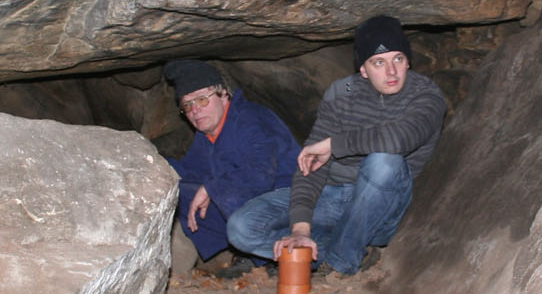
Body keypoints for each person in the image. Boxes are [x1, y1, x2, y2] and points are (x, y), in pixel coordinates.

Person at [227, 15, 446, 275]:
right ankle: (331, 248)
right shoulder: (342, 94)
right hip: (332, 198)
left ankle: (341, 260)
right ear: (363, 69)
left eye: (398, 59)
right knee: (241, 227)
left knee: (385, 161)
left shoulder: (426, 96)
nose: (391, 72)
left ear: (408, 61)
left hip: (383, 202)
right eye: (379, 62)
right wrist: (300, 228)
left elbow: (399, 139)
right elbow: (311, 163)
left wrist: (335, 144)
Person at [163, 59, 301, 275]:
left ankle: (278, 256)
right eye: (187, 106)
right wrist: (156, 167)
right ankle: (249, 255)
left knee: (224, 192)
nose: (195, 111)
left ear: (223, 95)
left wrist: (212, 188)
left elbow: (260, 176)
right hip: (253, 208)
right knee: (179, 191)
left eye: (201, 100)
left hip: (291, 204)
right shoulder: (206, 134)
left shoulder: (252, 120)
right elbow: (190, 172)